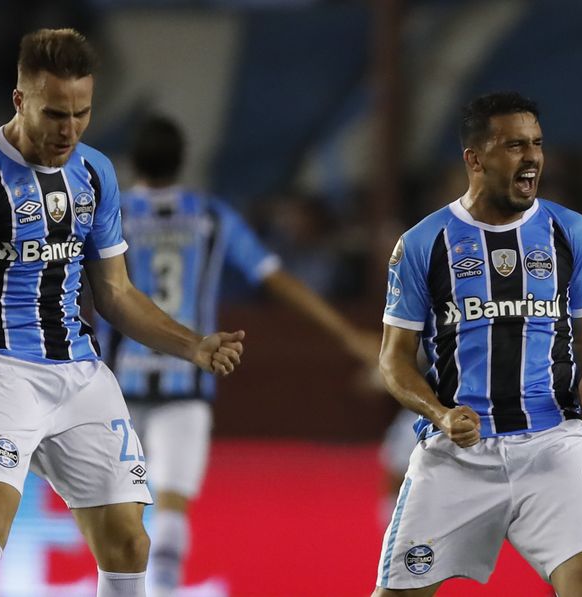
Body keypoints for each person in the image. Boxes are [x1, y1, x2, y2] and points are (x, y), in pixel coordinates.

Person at [0, 29, 244, 597]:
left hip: (79, 373)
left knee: (130, 543)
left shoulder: (95, 174)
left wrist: (193, 345)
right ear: (20, 99)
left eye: (81, 113)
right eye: (55, 113)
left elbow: (116, 293)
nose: (69, 129)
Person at [100, 114, 379, 597]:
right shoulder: (211, 216)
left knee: (119, 512)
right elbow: (276, 279)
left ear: (132, 162)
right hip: (187, 382)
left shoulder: (109, 213)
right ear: (183, 161)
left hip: (118, 386)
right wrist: (348, 335)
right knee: (172, 506)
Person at [373, 91, 582, 597]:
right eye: (514, 145)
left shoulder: (570, 231)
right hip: (457, 451)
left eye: (537, 144)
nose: (532, 157)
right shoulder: (422, 243)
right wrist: (440, 415)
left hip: (552, 442)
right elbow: (393, 360)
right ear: (475, 159)